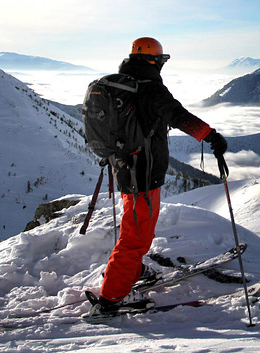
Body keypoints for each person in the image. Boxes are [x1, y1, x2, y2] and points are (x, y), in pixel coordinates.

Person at [87, 37, 228, 317]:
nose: (161, 65)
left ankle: (131, 271)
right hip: (144, 173)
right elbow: (178, 116)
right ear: (153, 61)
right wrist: (211, 136)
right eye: (161, 60)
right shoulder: (150, 89)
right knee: (137, 236)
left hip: (125, 169)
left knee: (135, 227)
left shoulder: (123, 84)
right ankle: (114, 296)